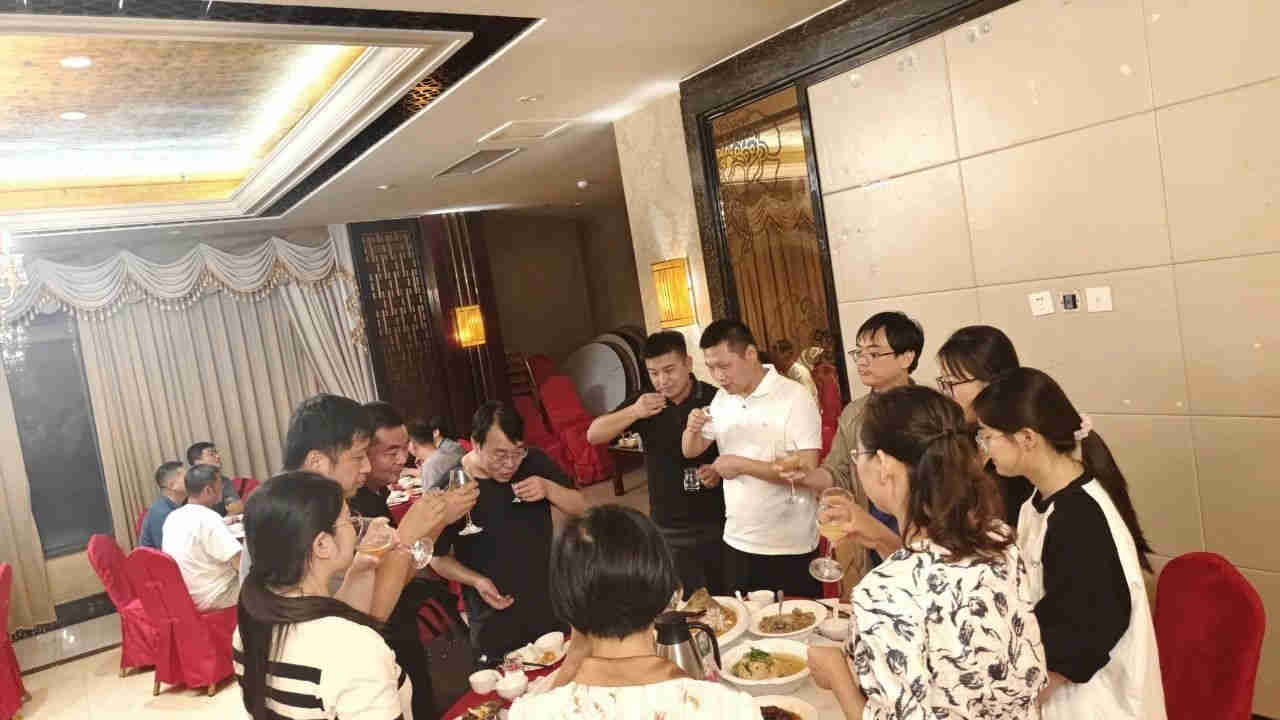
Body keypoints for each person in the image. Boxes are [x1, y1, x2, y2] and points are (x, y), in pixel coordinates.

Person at [807, 385, 1047, 719]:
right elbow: (938, 586)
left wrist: (837, 676)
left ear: (883, 464)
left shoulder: (881, 593)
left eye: (858, 454)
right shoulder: (998, 539)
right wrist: (881, 539)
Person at [973, 368, 1166, 719]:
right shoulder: (1040, 501)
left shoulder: (1078, 517)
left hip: (1093, 702)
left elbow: (1083, 634)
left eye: (987, 435)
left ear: (1027, 438)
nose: (983, 448)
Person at [279, 394, 474, 720]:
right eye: (359, 457)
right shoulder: (298, 523)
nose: (367, 467)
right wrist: (414, 532)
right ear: (317, 462)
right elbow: (361, 622)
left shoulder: (307, 507)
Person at [510, 505, 759, 719]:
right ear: (667, 593)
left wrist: (574, 656)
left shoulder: (529, 713)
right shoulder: (731, 709)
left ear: (565, 599)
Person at [235, 471, 412, 720]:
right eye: (349, 519)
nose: (357, 526)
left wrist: (363, 566)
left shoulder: (249, 625)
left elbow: (334, 623)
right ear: (322, 545)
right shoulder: (354, 649)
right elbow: (341, 645)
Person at [435, 401, 586, 662]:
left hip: (546, 600)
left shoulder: (533, 462)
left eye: (517, 452)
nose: (510, 464)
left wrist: (549, 489)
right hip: (493, 614)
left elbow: (581, 507)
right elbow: (436, 558)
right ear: (475, 443)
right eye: (499, 455)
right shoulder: (451, 487)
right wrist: (476, 581)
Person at [682, 319, 823, 598]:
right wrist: (691, 428)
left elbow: (808, 471)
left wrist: (740, 465)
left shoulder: (794, 397)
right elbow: (691, 450)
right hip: (738, 537)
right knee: (744, 618)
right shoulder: (723, 399)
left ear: (750, 354)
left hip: (789, 542)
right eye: (711, 367)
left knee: (797, 620)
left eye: (724, 366)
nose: (718, 376)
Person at [785, 311, 921, 593]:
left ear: (906, 357)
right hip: (869, 539)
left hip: (922, 538)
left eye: (874, 353)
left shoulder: (931, 411)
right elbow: (837, 472)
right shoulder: (854, 414)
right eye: (859, 352)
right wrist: (805, 476)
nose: (861, 361)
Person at [586, 330, 725, 596]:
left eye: (669, 370)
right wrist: (635, 411)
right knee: (679, 601)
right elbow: (594, 435)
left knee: (722, 598)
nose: (662, 380)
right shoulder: (646, 401)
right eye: (654, 373)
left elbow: (737, 449)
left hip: (714, 519)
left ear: (688, 363)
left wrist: (718, 469)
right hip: (666, 521)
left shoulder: (714, 398)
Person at [936, 325, 1035, 526]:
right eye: (942, 382)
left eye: (951, 382)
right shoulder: (958, 436)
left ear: (991, 382)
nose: (945, 393)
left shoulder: (1024, 444)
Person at [161, 464, 242, 611]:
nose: (222, 490)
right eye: (220, 486)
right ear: (208, 490)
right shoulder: (209, 518)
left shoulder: (173, 517)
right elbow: (239, 563)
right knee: (273, 586)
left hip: (186, 596)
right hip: (216, 596)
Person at [348, 401, 410, 521]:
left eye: (405, 448)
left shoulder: (379, 488)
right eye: (392, 453)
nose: (403, 459)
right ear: (363, 452)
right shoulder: (357, 510)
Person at [406, 416, 466, 489]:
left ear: (412, 444)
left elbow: (429, 496)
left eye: (406, 444)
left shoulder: (430, 465)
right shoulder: (447, 454)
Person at [186, 441, 243, 516]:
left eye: (216, 453)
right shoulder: (187, 484)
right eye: (211, 454)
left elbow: (237, 507)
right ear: (197, 462)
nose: (218, 456)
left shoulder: (223, 480)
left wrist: (222, 521)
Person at [138, 461, 186, 550]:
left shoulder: (182, 504)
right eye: (185, 477)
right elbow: (170, 550)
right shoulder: (161, 513)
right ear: (172, 485)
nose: (191, 480)